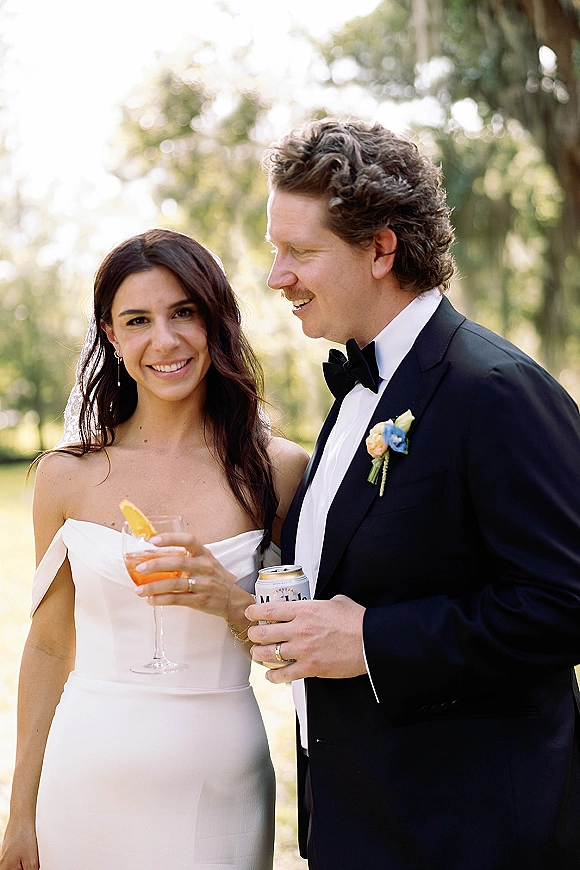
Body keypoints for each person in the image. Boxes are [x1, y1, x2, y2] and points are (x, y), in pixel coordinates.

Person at [245, 117, 580, 869]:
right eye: (276, 251)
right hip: (360, 825)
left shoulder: (495, 390)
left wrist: (369, 641)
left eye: (299, 252)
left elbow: (565, 604)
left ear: (381, 249)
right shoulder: (359, 387)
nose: (277, 277)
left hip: (468, 835)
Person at [0, 228, 308, 870]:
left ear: (215, 320)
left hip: (218, 781)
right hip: (86, 778)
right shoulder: (65, 475)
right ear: (111, 335)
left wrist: (229, 601)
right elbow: (51, 644)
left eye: (183, 313)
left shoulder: (276, 472)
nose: (163, 341)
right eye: (137, 320)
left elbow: (295, 647)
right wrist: (21, 810)